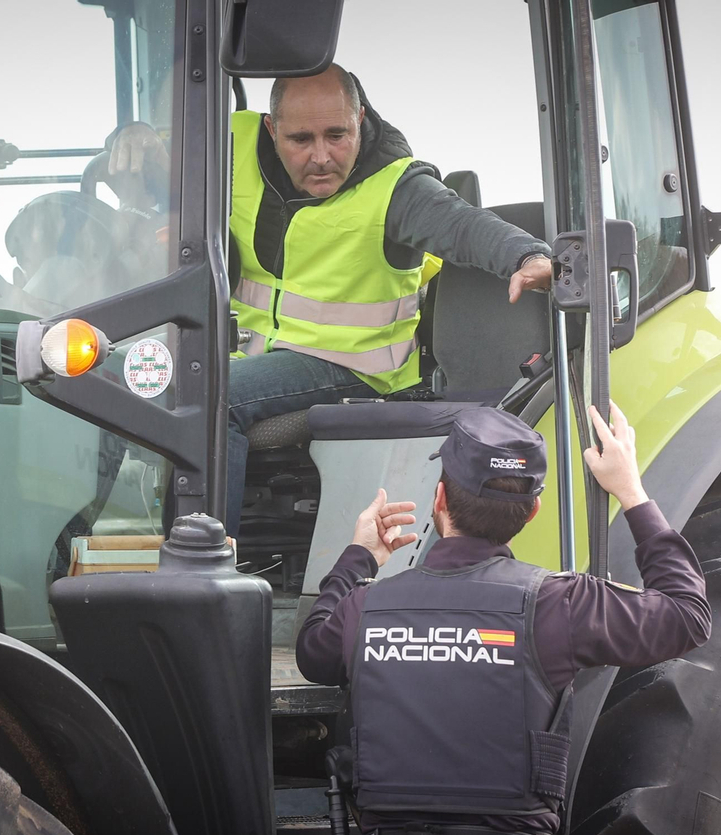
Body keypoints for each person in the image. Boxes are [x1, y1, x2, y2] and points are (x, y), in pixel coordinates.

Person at [108, 64, 555, 535]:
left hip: (352, 367)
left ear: (360, 120)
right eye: (301, 140)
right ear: (270, 129)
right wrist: (133, 136)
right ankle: (82, 546)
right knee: (115, 376)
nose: (321, 156)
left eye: (337, 135)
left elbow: (462, 224)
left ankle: (203, 570)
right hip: (251, 353)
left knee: (211, 396)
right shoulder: (231, 145)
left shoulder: (396, 187)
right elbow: (159, 160)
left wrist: (526, 254)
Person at [296, 402, 711, 835]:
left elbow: (312, 652)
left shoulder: (365, 607)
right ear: (532, 512)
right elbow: (688, 615)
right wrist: (630, 492)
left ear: (439, 498)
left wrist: (360, 556)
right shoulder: (562, 603)